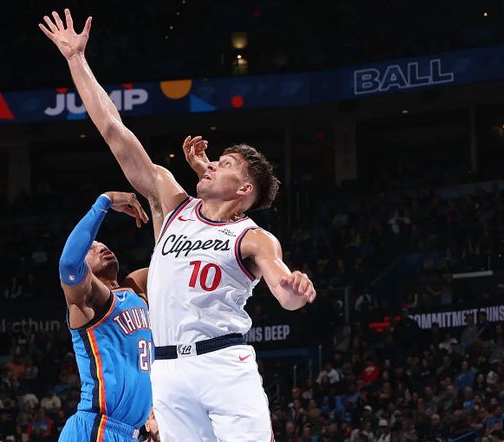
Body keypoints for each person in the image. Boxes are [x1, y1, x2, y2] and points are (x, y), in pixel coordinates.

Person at [40, 10, 317, 441]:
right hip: (168, 369)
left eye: (225, 163)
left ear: (244, 188)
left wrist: (296, 290)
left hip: (223, 363)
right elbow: (113, 129)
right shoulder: (172, 204)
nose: (211, 163)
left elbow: (284, 292)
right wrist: (76, 59)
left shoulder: (253, 237)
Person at [57, 191, 155, 442]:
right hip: (96, 427)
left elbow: (174, 261)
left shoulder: (136, 287)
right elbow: (68, 264)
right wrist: (106, 200)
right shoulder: (91, 299)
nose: (101, 247)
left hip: (131, 432)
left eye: (103, 245)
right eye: (91, 248)